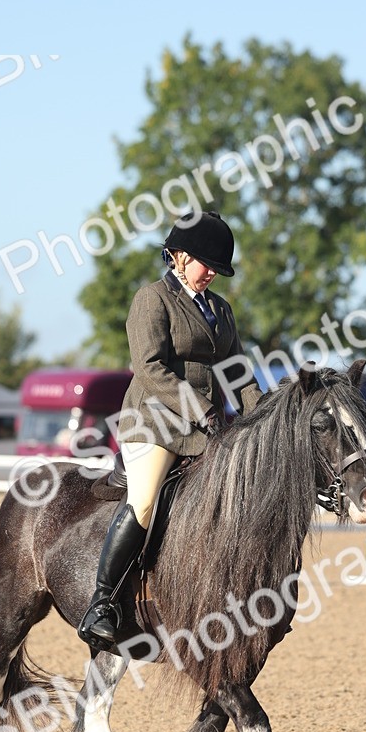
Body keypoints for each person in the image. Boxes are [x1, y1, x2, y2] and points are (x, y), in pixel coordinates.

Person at [77, 209, 262, 649]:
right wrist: (200, 407)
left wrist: (262, 417)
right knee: (143, 503)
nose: (212, 274)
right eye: (206, 264)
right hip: (154, 423)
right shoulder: (152, 299)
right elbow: (150, 367)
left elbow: (237, 371)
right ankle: (102, 603)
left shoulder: (220, 309)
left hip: (206, 428)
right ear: (178, 256)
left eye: (218, 268)